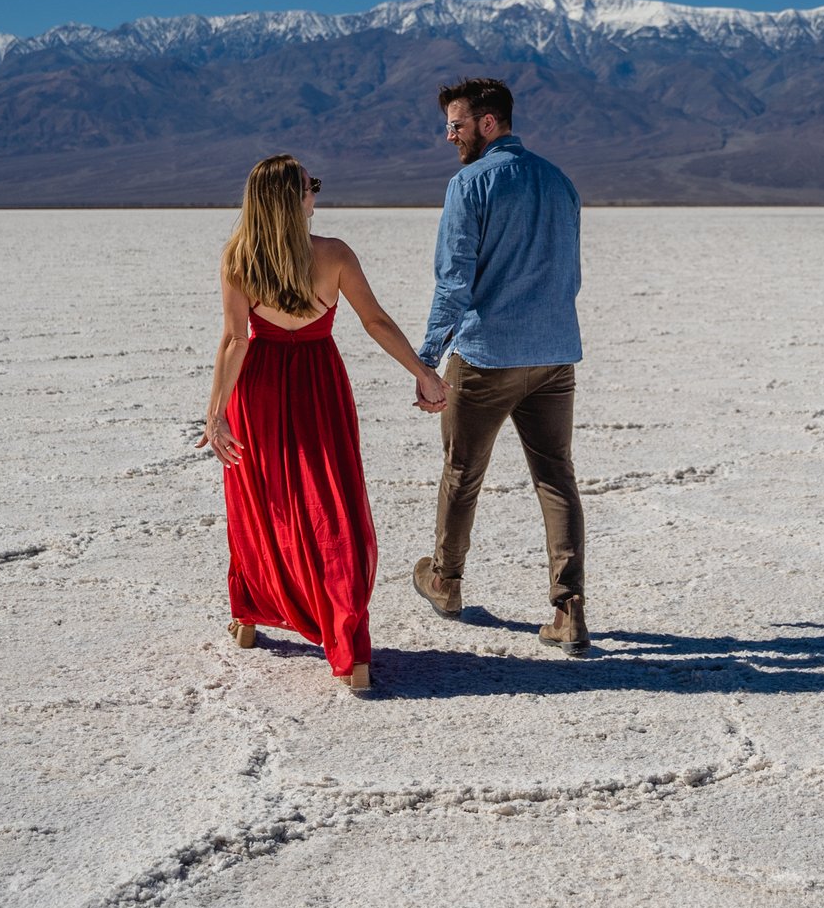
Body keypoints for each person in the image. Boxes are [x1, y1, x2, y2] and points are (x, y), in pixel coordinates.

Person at [200, 154, 445, 696]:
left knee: (265, 506)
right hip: (317, 385)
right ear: (294, 199)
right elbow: (375, 321)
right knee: (332, 508)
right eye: (311, 185)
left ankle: (249, 617)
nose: (317, 192)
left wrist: (216, 411)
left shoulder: (239, 257)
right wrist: (424, 373)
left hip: (258, 390)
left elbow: (236, 339)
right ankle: (347, 646)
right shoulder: (333, 255)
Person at [409, 77, 593, 655]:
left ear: (489, 123)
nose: (449, 136)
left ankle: (446, 580)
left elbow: (454, 278)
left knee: (463, 470)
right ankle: (569, 610)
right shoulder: (560, 182)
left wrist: (427, 359)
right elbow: (572, 275)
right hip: (554, 355)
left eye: (457, 125)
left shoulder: (471, 183)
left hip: (488, 357)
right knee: (556, 476)